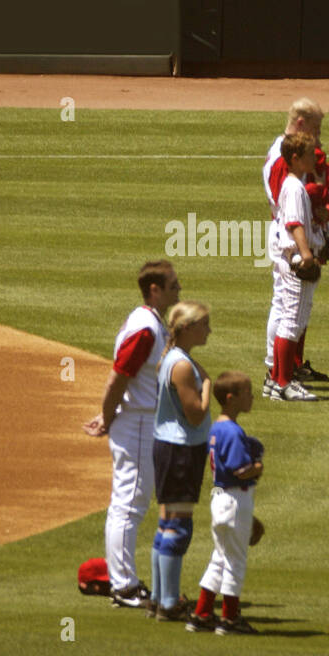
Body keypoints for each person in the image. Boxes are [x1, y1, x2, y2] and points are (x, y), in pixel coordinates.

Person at [82, 260, 181, 609]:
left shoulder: (145, 321)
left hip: (138, 420)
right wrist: (107, 417)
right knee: (129, 505)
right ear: (154, 289)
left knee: (127, 503)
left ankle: (124, 581)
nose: (178, 291)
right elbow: (118, 377)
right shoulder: (146, 329)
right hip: (137, 423)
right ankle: (123, 587)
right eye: (172, 285)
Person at [262, 97, 329, 389]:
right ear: (301, 124)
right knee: (285, 308)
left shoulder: (289, 156)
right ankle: (276, 370)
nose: (318, 137)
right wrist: (307, 247)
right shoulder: (284, 160)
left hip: (298, 237)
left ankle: (289, 367)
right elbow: (289, 210)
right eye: (315, 129)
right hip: (291, 241)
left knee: (295, 307)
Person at [185, 372, 263, 636]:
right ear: (231, 398)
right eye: (247, 392)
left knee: (219, 559)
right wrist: (258, 466)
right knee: (235, 561)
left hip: (220, 499)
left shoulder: (217, 427)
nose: (252, 396)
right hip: (234, 497)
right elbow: (241, 470)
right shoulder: (232, 430)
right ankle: (229, 619)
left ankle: (202, 614)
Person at [149, 300, 212, 623]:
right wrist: (209, 387)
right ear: (187, 328)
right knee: (179, 526)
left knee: (166, 522)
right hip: (181, 451)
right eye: (204, 324)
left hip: (168, 447)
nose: (209, 330)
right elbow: (196, 412)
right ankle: (169, 603)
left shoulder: (174, 359)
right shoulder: (183, 366)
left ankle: (160, 598)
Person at [264, 131, 323, 402]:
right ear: (296, 158)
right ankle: (284, 382)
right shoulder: (296, 187)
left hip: (292, 258)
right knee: (291, 322)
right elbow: (294, 224)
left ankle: (275, 381)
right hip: (297, 260)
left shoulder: (292, 183)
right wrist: (307, 253)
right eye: (310, 154)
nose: (315, 158)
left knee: (292, 321)